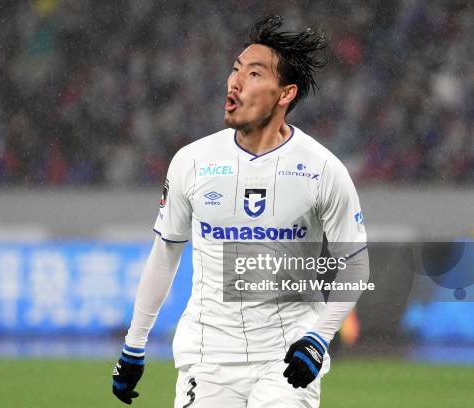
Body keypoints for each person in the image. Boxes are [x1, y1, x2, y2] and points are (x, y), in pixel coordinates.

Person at [112, 15, 369, 407]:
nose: (234, 82)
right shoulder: (193, 162)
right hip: (207, 357)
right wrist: (134, 344)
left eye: (252, 74)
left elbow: (354, 264)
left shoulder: (322, 169)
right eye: (235, 70)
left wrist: (318, 337)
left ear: (285, 94)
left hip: (286, 358)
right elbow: (165, 254)